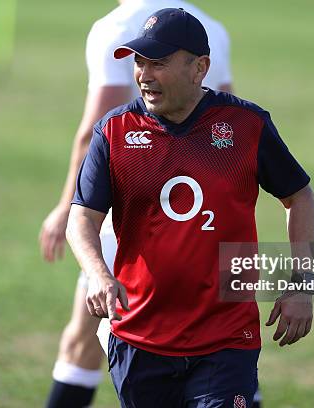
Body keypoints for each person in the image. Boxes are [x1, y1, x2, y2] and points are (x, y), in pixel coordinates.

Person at [66, 7, 314, 407]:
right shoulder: (114, 132)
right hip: (139, 339)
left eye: (159, 63)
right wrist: (97, 274)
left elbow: (299, 196)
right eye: (139, 62)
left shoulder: (245, 125)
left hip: (225, 340)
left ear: (200, 68)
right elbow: (82, 217)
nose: (144, 76)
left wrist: (302, 284)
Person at [39, 1, 234, 407]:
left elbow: (96, 130)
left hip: (133, 214)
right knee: (221, 346)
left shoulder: (115, 27)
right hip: (202, 217)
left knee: (82, 340)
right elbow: (227, 124)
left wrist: (67, 206)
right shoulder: (210, 27)